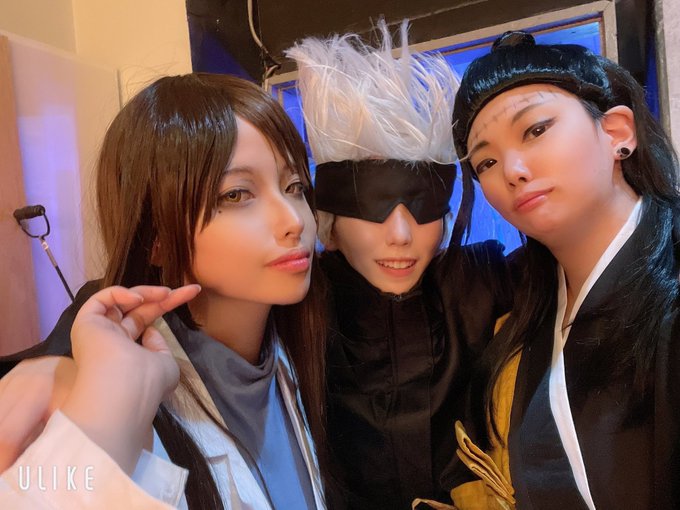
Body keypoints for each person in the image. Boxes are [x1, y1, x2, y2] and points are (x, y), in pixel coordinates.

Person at [0, 72, 329, 509]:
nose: (294, 220)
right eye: (236, 195)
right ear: (155, 237)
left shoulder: (298, 348)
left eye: (294, 187)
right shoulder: (130, 414)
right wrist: (97, 408)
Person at [448, 31, 680, 509]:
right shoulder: (519, 325)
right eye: (486, 160)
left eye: (535, 130)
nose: (512, 170)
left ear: (617, 131)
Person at [287, 22, 513, 509]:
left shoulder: (485, 284)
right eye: (372, 207)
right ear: (330, 221)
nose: (401, 235)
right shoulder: (292, 309)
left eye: (422, 206)